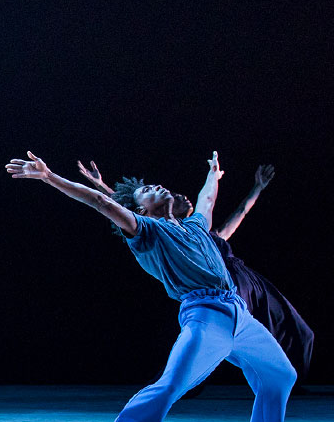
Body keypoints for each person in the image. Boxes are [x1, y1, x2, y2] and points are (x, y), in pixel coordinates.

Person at [6, 152, 298, 422]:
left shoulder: (196, 227)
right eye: (146, 192)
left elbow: (207, 200)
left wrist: (213, 172)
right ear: (140, 210)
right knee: (171, 385)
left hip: (240, 315)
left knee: (281, 374)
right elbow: (101, 203)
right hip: (206, 317)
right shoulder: (146, 233)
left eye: (153, 185)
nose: (155, 187)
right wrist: (49, 176)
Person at [77, 161, 314, 383]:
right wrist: (102, 186)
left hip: (249, 282)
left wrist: (255, 186)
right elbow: (134, 213)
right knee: (221, 335)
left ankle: (284, 375)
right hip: (224, 289)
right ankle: (186, 378)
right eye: (179, 199)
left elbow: (232, 208)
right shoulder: (168, 235)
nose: (183, 199)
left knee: (291, 327)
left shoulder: (205, 231)